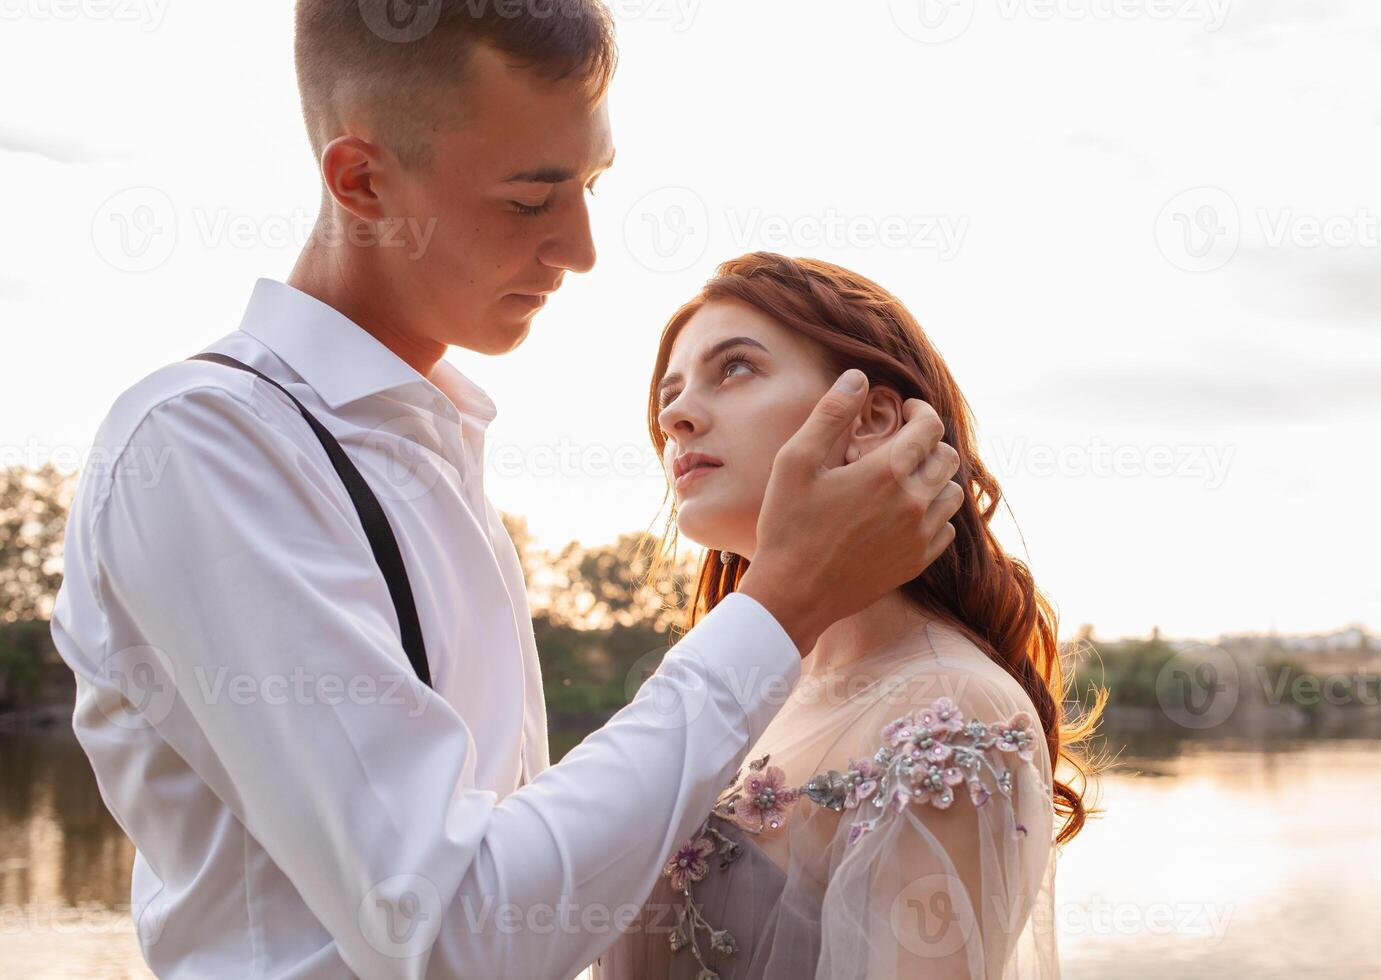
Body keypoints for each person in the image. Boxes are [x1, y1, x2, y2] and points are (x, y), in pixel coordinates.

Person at [48, 5, 964, 978]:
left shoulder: (436, 452)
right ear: (362, 181)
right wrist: (780, 604)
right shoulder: (204, 447)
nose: (580, 250)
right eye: (532, 200)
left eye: (591, 185)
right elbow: (456, 930)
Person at [593, 253, 1103, 979]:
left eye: (734, 368)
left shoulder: (950, 711)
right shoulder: (738, 689)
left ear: (871, 418)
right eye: (669, 394)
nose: (674, 416)